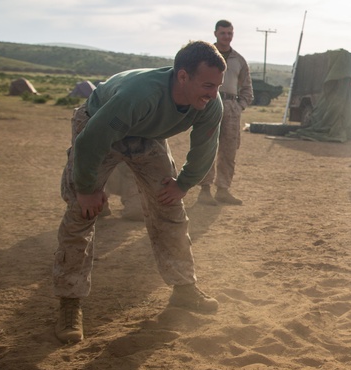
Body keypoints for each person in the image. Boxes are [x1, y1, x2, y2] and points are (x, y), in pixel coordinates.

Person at [51, 41, 226, 344]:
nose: (213, 94)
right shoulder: (139, 95)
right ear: (182, 77)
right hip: (98, 123)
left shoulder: (211, 103)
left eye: (217, 86)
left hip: (147, 136)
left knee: (169, 208)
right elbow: (91, 142)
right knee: (82, 212)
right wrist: (87, 189)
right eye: (207, 85)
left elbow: (204, 149)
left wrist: (183, 184)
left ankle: (184, 289)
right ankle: (70, 302)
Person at [198, 19, 253, 206]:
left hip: (231, 106)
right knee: (206, 147)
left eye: (230, 33)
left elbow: (247, 87)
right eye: (223, 33)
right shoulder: (205, 56)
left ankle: (223, 189)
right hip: (209, 104)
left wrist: (240, 106)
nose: (226, 37)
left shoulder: (239, 60)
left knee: (228, 151)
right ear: (215, 34)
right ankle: (205, 190)